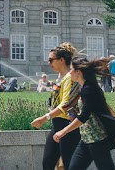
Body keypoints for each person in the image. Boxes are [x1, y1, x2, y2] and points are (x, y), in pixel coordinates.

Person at [52, 57, 115, 170]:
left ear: (78, 71)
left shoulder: (89, 89)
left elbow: (84, 117)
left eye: (71, 69)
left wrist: (63, 131)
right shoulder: (85, 87)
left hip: (97, 140)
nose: (69, 72)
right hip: (86, 139)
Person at [30, 42, 81, 170]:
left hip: (68, 126)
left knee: (69, 165)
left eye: (51, 60)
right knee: (47, 163)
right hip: (57, 125)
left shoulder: (71, 78)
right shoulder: (61, 77)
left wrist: (45, 118)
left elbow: (65, 104)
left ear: (62, 60)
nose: (49, 63)